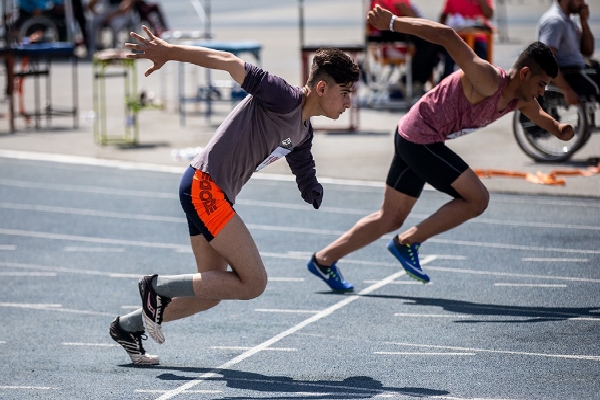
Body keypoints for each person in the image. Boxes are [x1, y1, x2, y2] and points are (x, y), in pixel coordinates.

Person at [108, 26, 360, 365]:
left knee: (209, 292)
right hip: (205, 186)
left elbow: (302, 163)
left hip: (209, 190)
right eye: (344, 92)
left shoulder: (303, 131)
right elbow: (228, 61)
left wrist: (310, 187)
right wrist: (171, 51)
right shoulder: (282, 96)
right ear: (321, 87)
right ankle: (157, 287)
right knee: (253, 282)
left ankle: (127, 326)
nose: (348, 101)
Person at [307, 5, 573, 291]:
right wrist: (393, 22)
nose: (542, 92)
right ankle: (407, 242)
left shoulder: (521, 100)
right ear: (523, 73)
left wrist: (559, 129)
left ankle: (324, 260)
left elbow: (540, 117)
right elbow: (446, 35)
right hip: (420, 137)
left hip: (412, 134)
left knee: (390, 216)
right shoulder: (487, 79)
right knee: (477, 198)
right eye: (541, 84)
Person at [366, 0, 440, 94]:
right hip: (391, 41)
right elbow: (410, 15)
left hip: (393, 40)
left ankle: (416, 81)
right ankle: (414, 81)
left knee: (433, 43)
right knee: (431, 41)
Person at [537, 0, 598, 106]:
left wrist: (584, 22)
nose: (583, 3)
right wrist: (566, 90)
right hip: (567, 74)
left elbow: (588, 51)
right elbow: (546, 59)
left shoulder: (569, 19)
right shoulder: (555, 21)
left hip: (577, 70)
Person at [439, 0, 494, 81]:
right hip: (458, 38)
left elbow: (489, 15)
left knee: (480, 54)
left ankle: (483, 81)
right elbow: (444, 15)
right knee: (450, 53)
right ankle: (447, 82)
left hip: (478, 38)